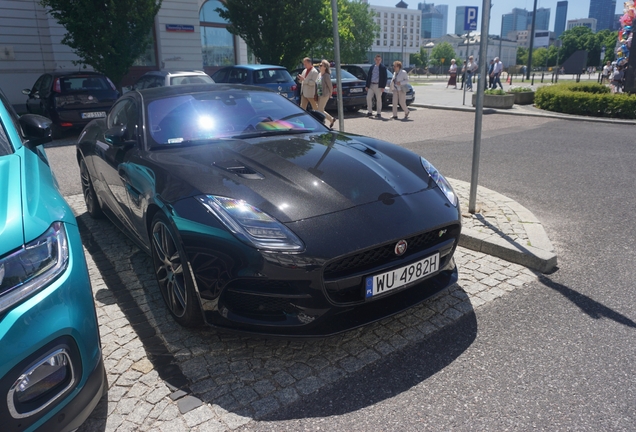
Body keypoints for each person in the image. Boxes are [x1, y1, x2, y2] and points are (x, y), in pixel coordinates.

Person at [315, 59, 335, 128]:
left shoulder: (326, 75)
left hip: (325, 94)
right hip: (319, 94)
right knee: (321, 110)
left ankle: (321, 123)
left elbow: (330, 86)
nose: (319, 66)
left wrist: (330, 94)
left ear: (325, 67)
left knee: (320, 110)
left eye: (321, 65)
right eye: (319, 65)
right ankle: (331, 119)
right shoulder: (319, 74)